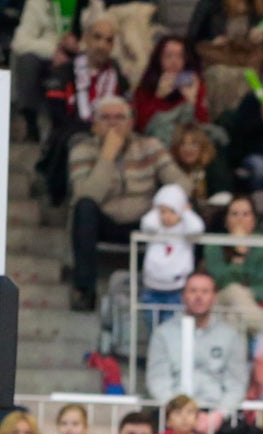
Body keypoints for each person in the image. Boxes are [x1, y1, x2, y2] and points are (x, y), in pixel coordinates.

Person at [68, 95, 184, 311]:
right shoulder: (82, 150)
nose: (113, 123)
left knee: (179, 208)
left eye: (120, 117)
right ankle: (85, 290)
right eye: (106, 118)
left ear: (131, 122)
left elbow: (181, 183)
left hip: (144, 219)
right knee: (83, 209)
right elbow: (86, 195)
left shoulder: (150, 146)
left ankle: (177, 285)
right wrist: (107, 156)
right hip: (104, 221)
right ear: (95, 124)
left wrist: (166, 203)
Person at [147, 271, 250, 413]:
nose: (199, 297)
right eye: (193, 291)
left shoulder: (230, 336)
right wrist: (178, 412)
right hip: (173, 412)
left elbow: (236, 384)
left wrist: (219, 415)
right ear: (183, 296)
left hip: (216, 414)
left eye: (205, 291)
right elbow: (158, 380)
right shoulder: (163, 334)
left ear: (214, 297)